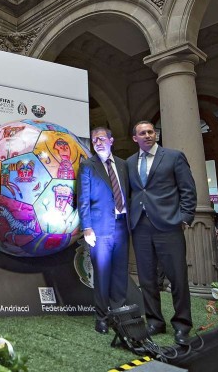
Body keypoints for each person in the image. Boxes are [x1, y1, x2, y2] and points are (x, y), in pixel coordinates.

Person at [127, 121, 196, 345]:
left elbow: (187, 188)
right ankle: (155, 321)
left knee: (177, 277)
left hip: (169, 225)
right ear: (135, 138)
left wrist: (185, 217)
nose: (148, 135)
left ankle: (182, 325)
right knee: (147, 278)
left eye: (151, 131)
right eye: (143, 133)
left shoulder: (174, 157)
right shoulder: (129, 162)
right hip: (141, 226)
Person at [77, 127, 129, 334]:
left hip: (123, 225)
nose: (97, 143)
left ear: (111, 140)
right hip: (99, 229)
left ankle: (120, 315)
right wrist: (87, 227)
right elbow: (83, 199)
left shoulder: (123, 165)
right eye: (94, 140)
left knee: (120, 273)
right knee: (102, 274)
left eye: (101, 139)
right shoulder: (87, 166)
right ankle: (102, 318)